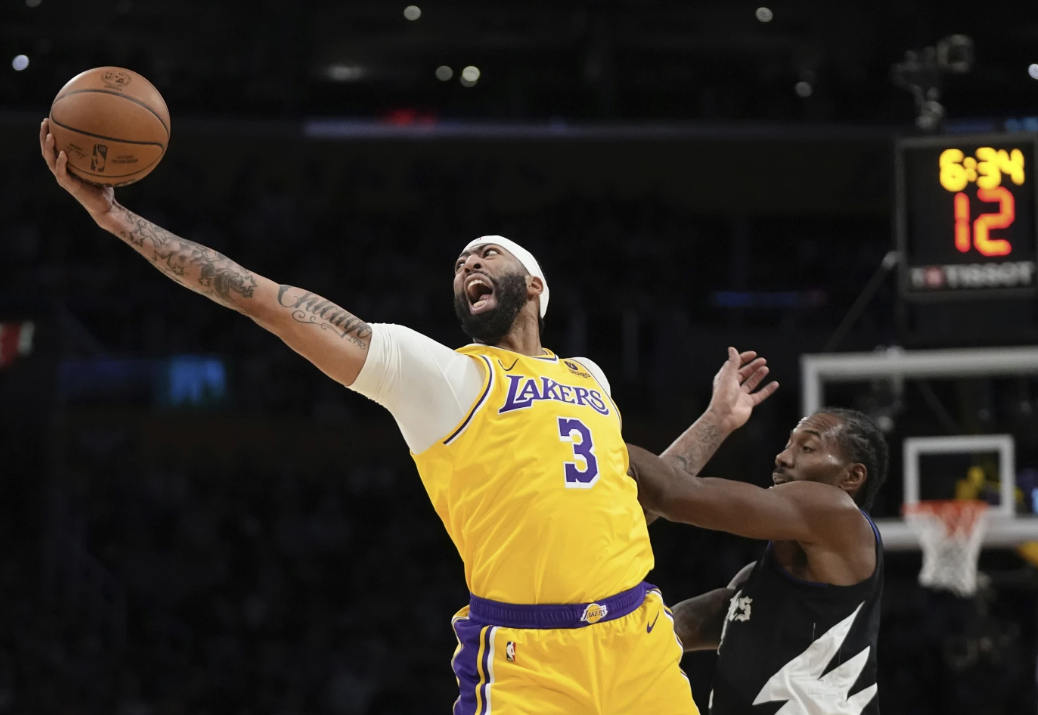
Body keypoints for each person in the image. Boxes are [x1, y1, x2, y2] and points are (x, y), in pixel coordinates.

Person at [40, 121, 779, 714]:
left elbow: (642, 502)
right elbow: (259, 296)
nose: (467, 265)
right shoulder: (444, 375)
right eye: (459, 263)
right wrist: (116, 219)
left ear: (536, 284)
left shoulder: (588, 377)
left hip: (638, 641)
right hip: (527, 663)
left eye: (485, 253)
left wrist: (718, 416)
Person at [626, 354, 888, 715]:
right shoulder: (762, 580)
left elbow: (676, 495)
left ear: (851, 477)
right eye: (789, 444)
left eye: (807, 448)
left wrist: (587, 432)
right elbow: (717, 616)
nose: (782, 457)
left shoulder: (836, 511)